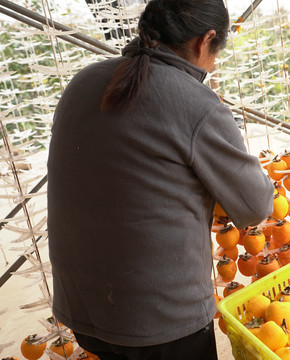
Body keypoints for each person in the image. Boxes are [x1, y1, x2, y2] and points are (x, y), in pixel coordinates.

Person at [46, 0, 274, 359]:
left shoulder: (82, 81)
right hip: (158, 323)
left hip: (84, 309)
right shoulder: (195, 102)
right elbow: (255, 206)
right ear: (206, 40)